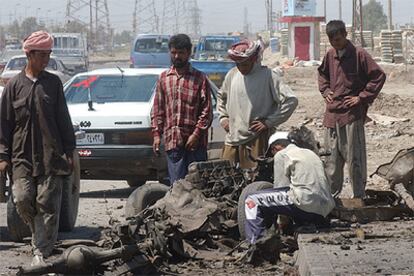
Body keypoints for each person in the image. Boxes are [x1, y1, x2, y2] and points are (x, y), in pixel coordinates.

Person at [0, 31, 75, 266]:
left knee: (48, 204)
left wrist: (70, 152)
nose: (46, 60)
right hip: (21, 156)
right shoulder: (13, 86)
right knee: (22, 198)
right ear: (29, 55)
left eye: (48, 55)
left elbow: (64, 119)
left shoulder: (53, 84)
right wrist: (3, 156)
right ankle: (38, 236)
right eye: (42, 55)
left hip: (50, 155)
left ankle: (41, 251)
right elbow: (3, 124)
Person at [318, 20, 386, 198]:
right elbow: (322, 74)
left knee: (355, 158)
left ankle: (358, 196)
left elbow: (378, 76)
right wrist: (325, 90)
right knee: (331, 161)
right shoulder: (330, 55)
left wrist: (361, 97)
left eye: (338, 40)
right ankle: (331, 199)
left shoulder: (359, 54)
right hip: (331, 116)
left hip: (351, 115)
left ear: (345, 36)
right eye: (332, 41)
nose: (335, 44)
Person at [217, 39, 298, 169]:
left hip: (257, 139)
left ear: (253, 60)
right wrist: (223, 118)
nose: (241, 68)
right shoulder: (232, 75)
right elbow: (221, 97)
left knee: (255, 179)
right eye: (238, 64)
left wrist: (268, 122)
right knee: (225, 178)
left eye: (244, 64)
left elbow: (291, 100)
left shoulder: (268, 76)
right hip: (233, 137)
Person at [244, 132, 335, 244]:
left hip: (306, 203)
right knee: (299, 192)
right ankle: (310, 223)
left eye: (272, 152)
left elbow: (281, 186)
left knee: (251, 200)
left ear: (276, 147)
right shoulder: (310, 153)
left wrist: (281, 223)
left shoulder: (281, 154)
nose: (273, 155)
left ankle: (256, 243)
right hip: (325, 209)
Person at [151, 34, 213, 184]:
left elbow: (207, 112)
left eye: (181, 53)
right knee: (177, 188)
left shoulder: (199, 78)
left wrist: (196, 135)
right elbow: (158, 109)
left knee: (197, 186)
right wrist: (156, 134)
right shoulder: (164, 78)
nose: (177, 56)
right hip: (173, 142)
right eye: (173, 53)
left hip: (195, 145)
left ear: (188, 53)